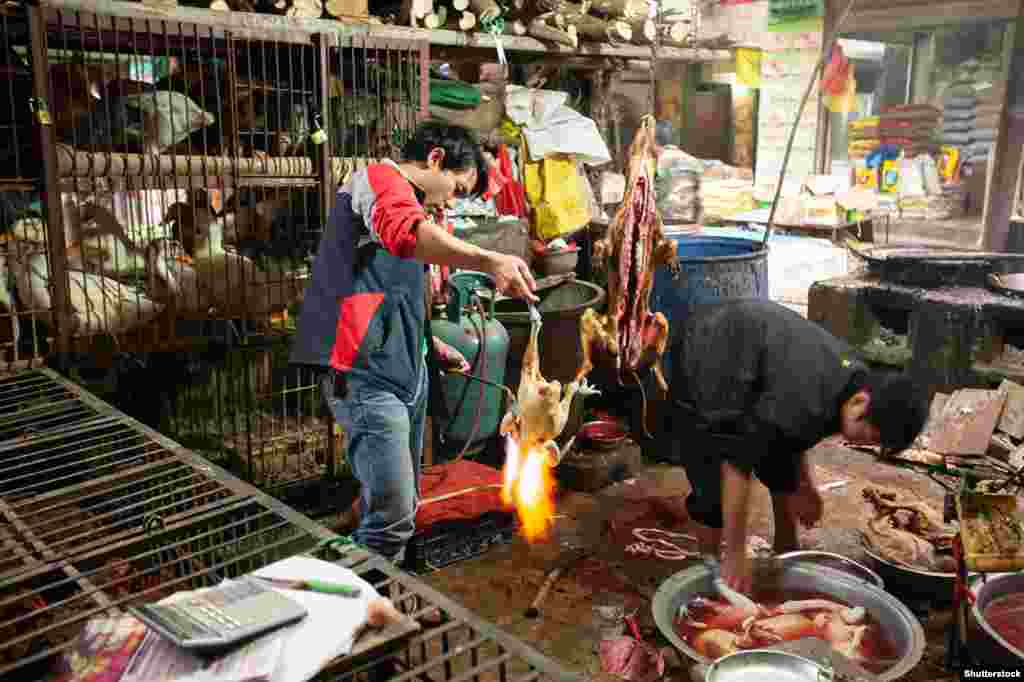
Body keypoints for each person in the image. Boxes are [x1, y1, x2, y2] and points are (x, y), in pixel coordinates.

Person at [290, 121, 538, 563]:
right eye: (457, 188)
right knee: (394, 519)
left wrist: (428, 344)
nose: (452, 202)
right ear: (436, 159)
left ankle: (380, 580)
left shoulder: (411, 203)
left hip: (405, 368)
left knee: (398, 503)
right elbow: (405, 234)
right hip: (365, 375)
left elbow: (393, 293)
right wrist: (488, 259)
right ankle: (357, 595)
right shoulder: (377, 181)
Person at [663, 298, 928, 592]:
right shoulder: (808, 400)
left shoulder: (853, 383)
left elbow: (793, 437)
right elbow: (737, 465)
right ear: (861, 402)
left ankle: (786, 550)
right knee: (711, 477)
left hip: (758, 352)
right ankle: (711, 569)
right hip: (706, 348)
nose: (868, 444)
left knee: (780, 455)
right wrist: (736, 552)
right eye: (872, 436)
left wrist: (805, 486)